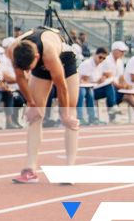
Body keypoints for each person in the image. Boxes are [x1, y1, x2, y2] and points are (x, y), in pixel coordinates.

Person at [9, 24, 81, 184]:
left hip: (65, 60)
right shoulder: (13, 50)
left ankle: (70, 169)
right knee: (34, 116)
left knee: (70, 113)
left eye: (29, 69)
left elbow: (61, 86)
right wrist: (32, 103)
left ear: (36, 57)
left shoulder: (49, 53)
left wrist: (64, 115)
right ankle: (30, 169)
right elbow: (20, 77)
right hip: (40, 64)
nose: (27, 71)